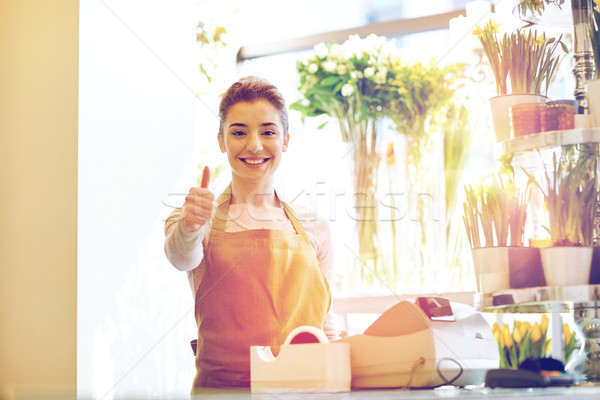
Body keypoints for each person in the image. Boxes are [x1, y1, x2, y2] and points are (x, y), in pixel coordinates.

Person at [164, 76, 338, 390]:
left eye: (268, 131)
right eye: (239, 132)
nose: (254, 145)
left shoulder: (315, 226)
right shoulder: (195, 217)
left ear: (286, 140)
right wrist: (190, 228)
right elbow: (181, 257)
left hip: (308, 393)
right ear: (221, 141)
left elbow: (327, 321)